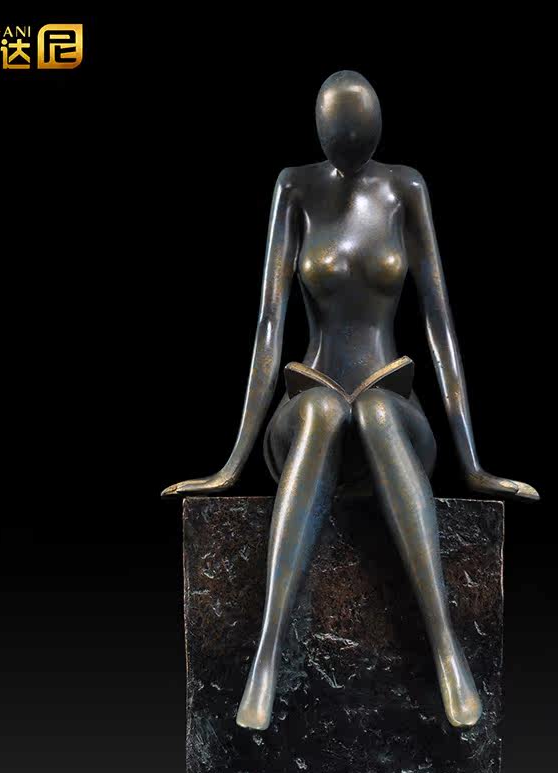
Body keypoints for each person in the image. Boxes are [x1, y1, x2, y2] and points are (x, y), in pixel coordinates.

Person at [163, 71, 538, 731]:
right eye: (339, 132)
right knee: (324, 409)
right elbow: (269, 328)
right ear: (321, 131)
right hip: (310, 414)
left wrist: (473, 465)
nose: (350, 142)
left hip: (391, 415)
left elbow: (440, 324)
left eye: (359, 130)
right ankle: (268, 655)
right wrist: (231, 465)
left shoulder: (405, 188)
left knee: (375, 410)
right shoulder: (295, 188)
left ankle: (447, 649)